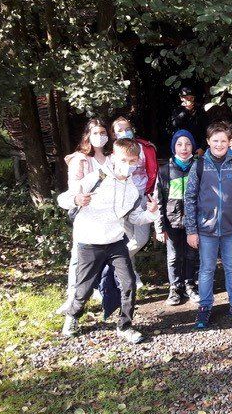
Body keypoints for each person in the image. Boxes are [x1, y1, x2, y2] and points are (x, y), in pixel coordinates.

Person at [57, 138, 160, 344]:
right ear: (113, 157)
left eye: (132, 161)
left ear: (138, 161)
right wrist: (76, 199)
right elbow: (63, 199)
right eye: (123, 160)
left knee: (128, 283)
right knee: (84, 287)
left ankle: (125, 326)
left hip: (115, 241)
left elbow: (133, 217)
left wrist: (152, 213)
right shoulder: (96, 177)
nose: (127, 165)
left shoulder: (132, 189)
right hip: (90, 240)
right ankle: (73, 316)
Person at [184, 122, 232, 328]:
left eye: (223, 140)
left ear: (229, 142)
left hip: (231, 228)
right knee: (206, 269)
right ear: (208, 141)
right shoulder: (199, 165)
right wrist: (191, 230)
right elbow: (189, 198)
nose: (219, 144)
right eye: (215, 140)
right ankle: (205, 307)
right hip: (206, 229)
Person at [56, 119, 112, 315]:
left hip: (108, 216)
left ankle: (98, 289)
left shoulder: (112, 157)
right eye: (95, 133)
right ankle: (72, 297)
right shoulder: (80, 159)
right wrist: (80, 197)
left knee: (104, 256)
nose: (100, 136)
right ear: (87, 135)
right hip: (87, 216)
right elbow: (74, 189)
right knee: (78, 257)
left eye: (103, 132)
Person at [110, 116, 158, 288]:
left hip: (142, 196)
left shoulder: (144, 148)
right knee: (127, 238)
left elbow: (153, 171)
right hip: (121, 199)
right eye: (120, 130)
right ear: (114, 134)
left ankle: (112, 262)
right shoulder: (113, 153)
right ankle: (131, 275)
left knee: (140, 238)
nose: (125, 132)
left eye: (127, 129)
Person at [154, 129, 199, 306]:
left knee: (191, 254)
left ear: (193, 147)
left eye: (188, 144)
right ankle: (175, 287)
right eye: (179, 144)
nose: (184, 148)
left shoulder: (199, 167)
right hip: (172, 222)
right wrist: (160, 227)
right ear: (174, 147)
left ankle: (190, 285)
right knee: (173, 256)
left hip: (193, 222)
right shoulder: (165, 170)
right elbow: (158, 200)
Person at [170, 87, 206, 155]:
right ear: (181, 98)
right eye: (187, 98)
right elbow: (174, 124)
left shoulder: (200, 110)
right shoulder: (177, 110)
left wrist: (203, 148)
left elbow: (205, 129)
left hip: (197, 146)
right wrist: (186, 110)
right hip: (182, 146)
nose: (189, 100)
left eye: (191, 98)